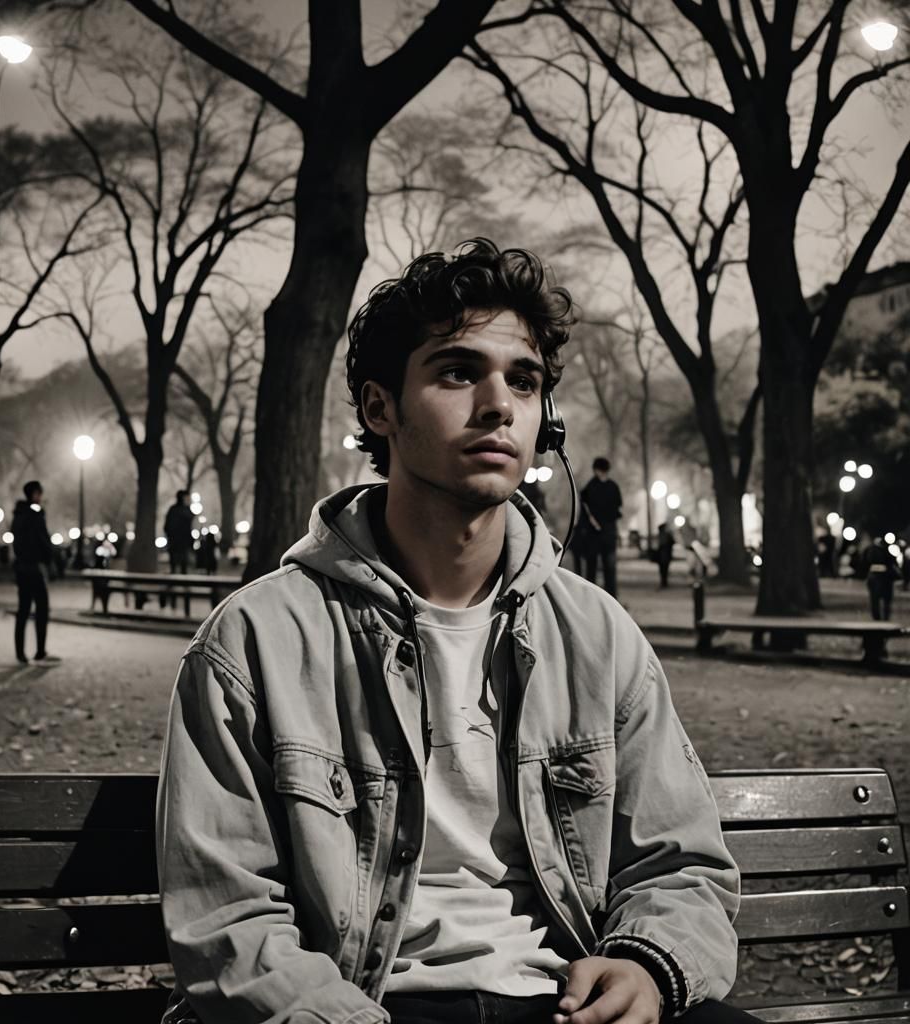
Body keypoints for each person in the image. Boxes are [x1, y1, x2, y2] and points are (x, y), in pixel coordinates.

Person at [156, 239, 753, 1024]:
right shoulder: (257, 641)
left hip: (562, 999)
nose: (500, 403)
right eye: (458, 372)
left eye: (525, 381)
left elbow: (683, 866)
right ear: (380, 409)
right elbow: (225, 915)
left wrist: (648, 965)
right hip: (358, 1008)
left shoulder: (598, 636)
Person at [11, 481, 58, 664]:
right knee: (42, 609)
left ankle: (20, 652)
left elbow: (17, 542)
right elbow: (42, 540)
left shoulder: (19, 515)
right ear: (34, 494)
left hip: (22, 568)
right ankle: (40, 650)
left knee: (23, 610)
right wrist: (50, 558)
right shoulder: (35, 515)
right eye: (39, 493)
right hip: (34, 568)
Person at [580, 457, 623, 598]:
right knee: (607, 568)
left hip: (598, 534)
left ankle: (591, 597)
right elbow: (618, 510)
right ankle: (610, 598)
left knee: (595, 568)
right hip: (606, 533)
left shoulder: (590, 487)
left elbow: (584, 511)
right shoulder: (613, 487)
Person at [864, 536, 898, 621]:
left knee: (876, 598)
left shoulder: (871, 550)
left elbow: (865, 562)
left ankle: (878, 617)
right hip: (884, 576)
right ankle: (883, 616)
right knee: (885, 598)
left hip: (877, 576)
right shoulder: (887, 550)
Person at [164, 491, 194, 574]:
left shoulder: (174, 509)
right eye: (187, 498)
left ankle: (176, 580)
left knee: (177, 563)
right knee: (180, 562)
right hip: (179, 540)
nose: (189, 500)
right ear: (183, 498)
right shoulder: (184, 510)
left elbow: (166, 526)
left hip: (178, 540)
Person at [656, 521, 675, 589]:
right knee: (664, 570)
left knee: (663, 570)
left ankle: (663, 582)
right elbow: (672, 542)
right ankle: (664, 582)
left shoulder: (660, 535)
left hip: (662, 556)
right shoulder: (666, 535)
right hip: (664, 555)